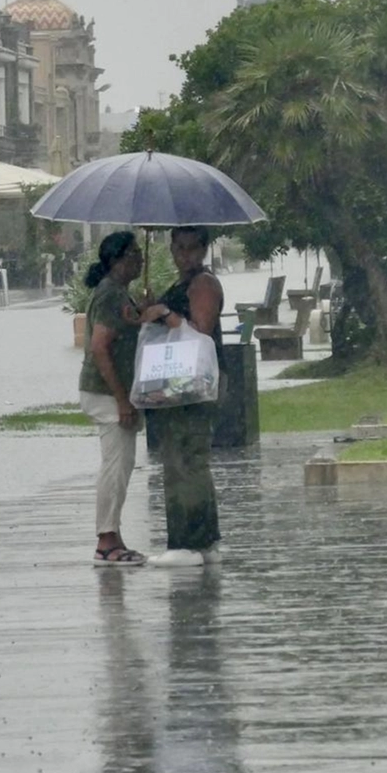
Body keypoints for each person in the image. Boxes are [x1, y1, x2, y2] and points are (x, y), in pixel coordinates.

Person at [78, 231, 171, 567]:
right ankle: (105, 541)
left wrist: (142, 311)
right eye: (132, 254)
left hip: (116, 391)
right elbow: (100, 347)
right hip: (106, 393)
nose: (139, 259)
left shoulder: (120, 296)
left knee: (123, 463)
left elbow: (127, 329)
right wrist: (121, 400)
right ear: (116, 260)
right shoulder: (109, 296)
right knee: (116, 465)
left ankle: (114, 536)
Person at [147, 225, 226, 567]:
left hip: (195, 384)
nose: (185, 255)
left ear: (205, 249)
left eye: (192, 248)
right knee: (180, 459)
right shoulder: (184, 283)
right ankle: (202, 540)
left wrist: (165, 313)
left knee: (186, 461)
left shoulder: (204, 284)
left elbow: (200, 329)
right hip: (178, 384)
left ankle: (189, 541)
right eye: (179, 248)